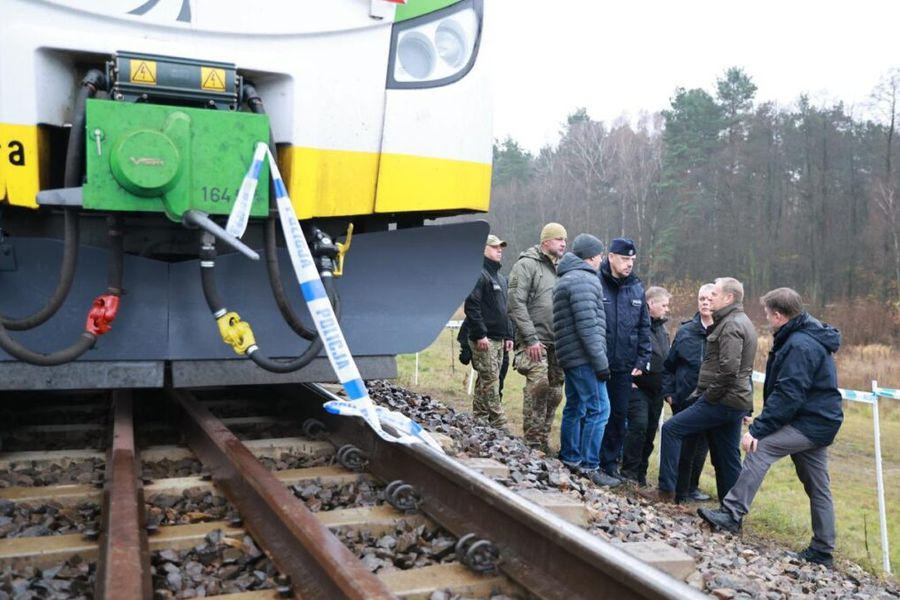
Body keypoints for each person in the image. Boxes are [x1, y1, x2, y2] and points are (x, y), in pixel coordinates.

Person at [699, 288, 843, 569]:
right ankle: (823, 550)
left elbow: (789, 393)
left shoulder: (800, 344)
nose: (765, 318)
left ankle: (731, 514)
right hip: (818, 419)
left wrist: (760, 428)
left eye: (767, 314)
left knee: (759, 447)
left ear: (778, 315)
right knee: (818, 486)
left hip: (811, 422)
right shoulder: (802, 336)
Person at [654, 277, 757, 503]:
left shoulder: (731, 325)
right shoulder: (739, 320)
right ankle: (731, 511)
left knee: (671, 429)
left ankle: (665, 493)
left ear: (729, 298)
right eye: (706, 297)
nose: (710, 300)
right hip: (733, 401)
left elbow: (730, 370)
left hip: (722, 400)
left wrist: (708, 396)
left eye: (715, 295)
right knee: (726, 457)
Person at [552, 234, 620, 487]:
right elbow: (588, 326)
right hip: (584, 357)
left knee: (576, 406)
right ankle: (590, 466)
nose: (601, 259)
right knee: (599, 409)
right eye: (600, 254)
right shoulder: (585, 280)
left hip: (570, 356)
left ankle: (570, 457)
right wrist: (600, 362)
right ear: (591, 257)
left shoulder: (567, 277)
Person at [508, 222, 567, 451]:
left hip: (557, 342)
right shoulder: (526, 265)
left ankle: (543, 440)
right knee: (539, 386)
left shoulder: (563, 269)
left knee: (555, 393)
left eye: (565, 239)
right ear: (545, 242)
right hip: (534, 341)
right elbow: (515, 304)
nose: (563, 243)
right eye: (559, 239)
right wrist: (530, 338)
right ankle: (531, 443)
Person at [597, 238, 651, 479]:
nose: (629, 264)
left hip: (624, 364)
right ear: (611, 257)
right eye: (625, 259)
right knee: (596, 412)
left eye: (632, 260)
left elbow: (643, 327)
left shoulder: (636, 288)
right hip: (599, 361)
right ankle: (588, 458)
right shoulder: (597, 283)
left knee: (619, 415)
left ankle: (609, 463)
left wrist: (642, 359)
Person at [661, 283, 715, 503]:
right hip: (684, 397)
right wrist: (669, 393)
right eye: (702, 298)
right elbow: (670, 365)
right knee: (683, 446)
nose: (705, 303)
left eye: (710, 299)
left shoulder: (725, 331)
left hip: (711, 400)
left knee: (701, 447)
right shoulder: (685, 331)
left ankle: (692, 486)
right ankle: (676, 489)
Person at [620, 286, 671, 487]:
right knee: (638, 427)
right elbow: (625, 350)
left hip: (657, 390)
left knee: (650, 431)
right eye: (664, 305)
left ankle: (641, 472)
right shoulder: (635, 325)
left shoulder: (663, 330)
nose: (667, 309)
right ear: (650, 304)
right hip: (638, 387)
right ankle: (629, 471)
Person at [462, 234, 514, 427]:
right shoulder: (478, 274)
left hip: (500, 339)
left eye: (500, 247)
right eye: (494, 247)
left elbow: (505, 309)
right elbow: (472, 307)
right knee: (491, 379)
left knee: (486, 379)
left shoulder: (500, 277)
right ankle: (499, 421)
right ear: (482, 249)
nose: (499, 250)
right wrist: (480, 334)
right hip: (484, 339)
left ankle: (479, 417)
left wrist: (509, 334)